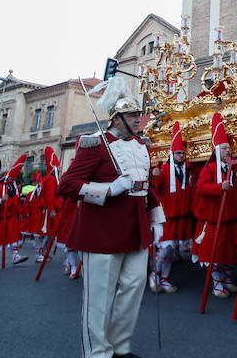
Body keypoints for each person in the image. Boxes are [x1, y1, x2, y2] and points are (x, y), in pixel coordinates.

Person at [57, 77, 165, 358]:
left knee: (133, 288)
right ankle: (97, 353)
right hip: (101, 232)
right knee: (99, 298)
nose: (139, 120)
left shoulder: (142, 147)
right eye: (132, 116)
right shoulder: (95, 144)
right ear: (117, 119)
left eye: (139, 115)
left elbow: (147, 186)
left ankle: (119, 346)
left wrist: (157, 217)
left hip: (136, 229)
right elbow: (67, 185)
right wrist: (107, 190)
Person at [191, 112, 237, 298]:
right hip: (215, 219)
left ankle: (227, 280)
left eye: (229, 148)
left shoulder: (236, 168)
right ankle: (217, 283)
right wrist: (218, 187)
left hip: (231, 218)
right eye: (224, 149)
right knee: (214, 253)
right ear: (216, 151)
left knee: (230, 252)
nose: (228, 151)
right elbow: (201, 188)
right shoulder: (210, 169)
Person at [150, 121, 195, 294]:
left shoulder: (189, 170)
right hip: (166, 217)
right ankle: (155, 275)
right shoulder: (163, 169)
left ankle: (166, 278)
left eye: (183, 153)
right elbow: (155, 187)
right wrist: (155, 176)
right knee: (164, 249)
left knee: (173, 250)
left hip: (182, 217)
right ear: (172, 154)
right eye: (178, 153)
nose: (181, 156)